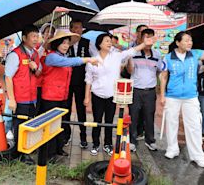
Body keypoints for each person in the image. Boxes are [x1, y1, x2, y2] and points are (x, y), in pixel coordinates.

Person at [84, 33, 154, 156]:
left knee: (110, 121)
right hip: (97, 94)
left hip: (112, 95)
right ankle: (95, 144)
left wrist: (144, 44)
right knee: (97, 120)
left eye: (110, 41)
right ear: (99, 44)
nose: (110, 43)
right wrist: (87, 97)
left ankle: (108, 144)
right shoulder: (93, 60)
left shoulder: (116, 56)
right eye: (106, 41)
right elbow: (88, 80)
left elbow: (131, 51)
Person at [160, 27, 204, 168]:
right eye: (186, 40)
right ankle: (172, 149)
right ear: (177, 43)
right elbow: (163, 77)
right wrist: (162, 95)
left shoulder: (195, 54)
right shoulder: (168, 58)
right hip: (172, 96)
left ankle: (197, 156)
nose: (190, 43)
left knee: (194, 125)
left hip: (191, 96)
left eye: (191, 40)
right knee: (171, 122)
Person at [41, 31, 99, 161]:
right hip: (51, 97)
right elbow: (69, 62)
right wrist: (88, 59)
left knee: (60, 125)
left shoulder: (64, 56)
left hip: (62, 96)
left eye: (67, 43)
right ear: (56, 44)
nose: (66, 45)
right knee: (51, 127)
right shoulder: (52, 57)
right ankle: (49, 155)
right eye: (63, 43)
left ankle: (58, 149)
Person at [5, 25, 41, 165]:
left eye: (37, 36)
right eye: (33, 36)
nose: (35, 39)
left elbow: (38, 74)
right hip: (20, 98)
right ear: (24, 38)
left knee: (29, 124)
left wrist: (35, 67)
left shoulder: (35, 54)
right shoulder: (15, 54)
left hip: (32, 98)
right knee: (19, 126)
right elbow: (8, 77)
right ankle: (20, 154)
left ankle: (25, 149)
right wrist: (12, 100)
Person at [126, 29, 162, 152]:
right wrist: (129, 58)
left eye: (151, 37)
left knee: (149, 116)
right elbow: (130, 71)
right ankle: (132, 141)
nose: (149, 40)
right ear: (141, 39)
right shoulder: (134, 53)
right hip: (135, 90)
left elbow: (159, 72)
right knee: (134, 116)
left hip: (150, 91)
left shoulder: (157, 54)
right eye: (146, 37)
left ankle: (150, 140)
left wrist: (157, 88)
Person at [66, 19, 96, 149]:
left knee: (81, 110)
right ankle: (65, 136)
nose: (78, 30)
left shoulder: (87, 43)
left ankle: (83, 137)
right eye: (75, 28)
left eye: (80, 28)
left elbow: (94, 58)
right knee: (66, 109)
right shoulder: (65, 42)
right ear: (71, 29)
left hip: (81, 81)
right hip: (67, 82)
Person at [36, 23, 56, 113]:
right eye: (48, 32)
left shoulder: (54, 50)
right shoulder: (37, 47)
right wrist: (44, 45)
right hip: (38, 84)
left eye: (52, 32)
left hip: (50, 85)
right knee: (38, 109)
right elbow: (35, 57)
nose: (50, 35)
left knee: (47, 110)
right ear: (43, 34)